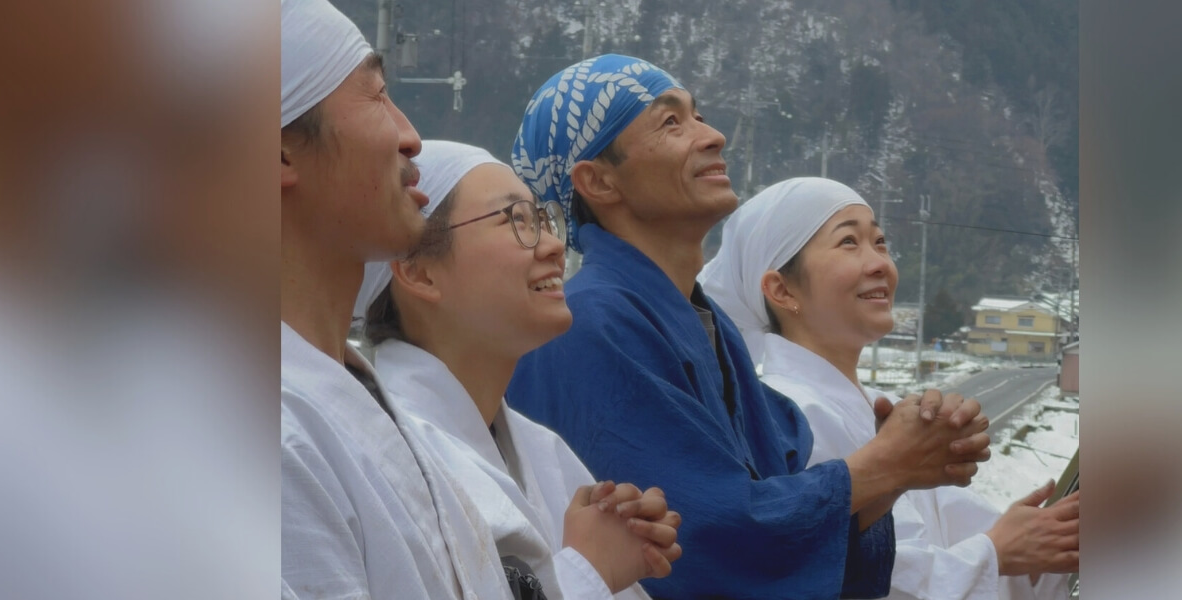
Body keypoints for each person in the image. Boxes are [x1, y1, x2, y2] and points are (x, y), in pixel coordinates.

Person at [506, 54, 994, 599]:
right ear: (598, 181)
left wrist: (900, 467)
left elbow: (779, 497)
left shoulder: (709, 328)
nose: (713, 136)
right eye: (672, 123)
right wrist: (884, 465)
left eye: (698, 115)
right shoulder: (590, 323)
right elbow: (698, 536)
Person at [698, 177, 1080, 600]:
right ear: (781, 289)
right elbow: (855, 577)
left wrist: (1049, 537)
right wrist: (996, 555)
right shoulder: (786, 416)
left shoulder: (886, 410)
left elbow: (977, 538)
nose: (880, 262)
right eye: (849, 242)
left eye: (880, 242)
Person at [354, 140, 684, 599]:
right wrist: (592, 568)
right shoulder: (381, 456)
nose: (551, 246)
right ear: (420, 274)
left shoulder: (542, 450)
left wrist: (620, 547)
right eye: (515, 221)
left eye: (542, 220)